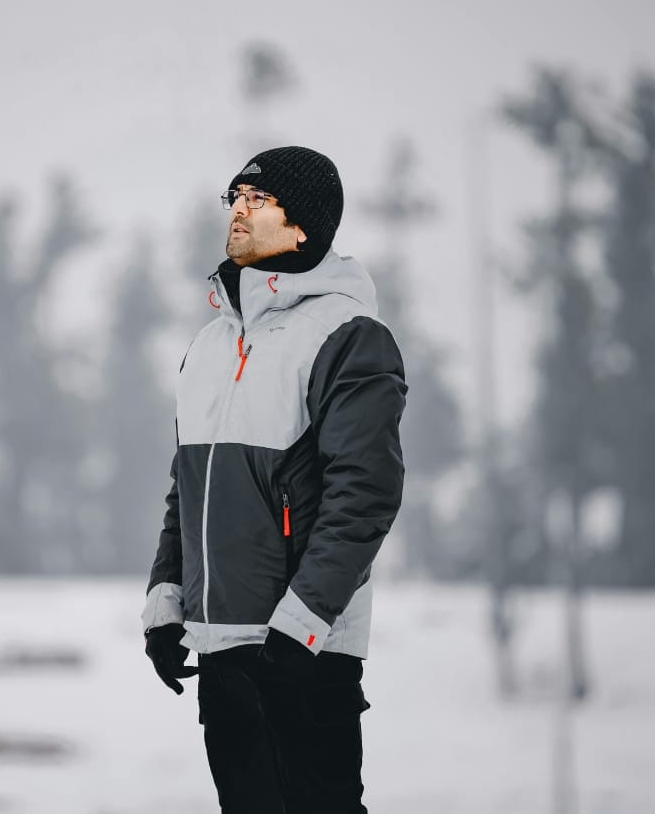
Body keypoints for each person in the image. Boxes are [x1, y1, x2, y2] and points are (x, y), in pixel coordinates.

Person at [141, 146, 407, 814]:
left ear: (304, 225)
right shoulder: (208, 345)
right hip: (222, 652)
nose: (238, 210)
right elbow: (189, 486)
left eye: (258, 200)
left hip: (304, 657)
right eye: (233, 197)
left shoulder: (347, 334)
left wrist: (302, 626)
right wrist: (167, 597)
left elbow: (364, 495)